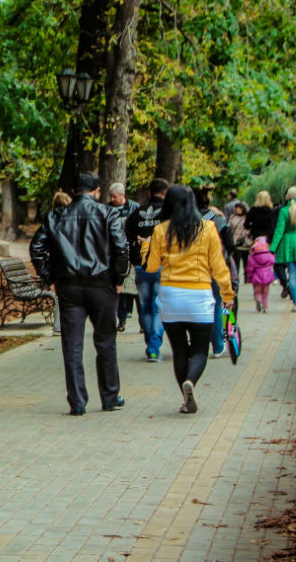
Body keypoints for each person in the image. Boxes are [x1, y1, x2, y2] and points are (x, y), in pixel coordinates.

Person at [29, 172, 130, 415]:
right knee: (105, 341)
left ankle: (77, 401)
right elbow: (120, 248)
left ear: (74, 192)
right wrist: (119, 280)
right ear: (97, 191)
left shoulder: (56, 215)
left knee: (72, 345)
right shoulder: (108, 213)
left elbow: (36, 247)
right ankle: (109, 395)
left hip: (69, 286)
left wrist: (50, 277)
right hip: (102, 284)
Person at [145, 185, 235, 415]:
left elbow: (152, 266)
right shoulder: (207, 228)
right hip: (199, 297)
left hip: (171, 296)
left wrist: (145, 246)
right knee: (199, 350)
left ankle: (185, 400)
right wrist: (227, 294)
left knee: (179, 351)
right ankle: (191, 383)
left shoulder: (161, 230)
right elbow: (218, 266)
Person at [125, 177, 169, 362]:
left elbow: (126, 237)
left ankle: (150, 341)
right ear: (166, 193)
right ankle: (154, 345)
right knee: (158, 306)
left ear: (150, 193)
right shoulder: (169, 213)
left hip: (141, 266)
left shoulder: (136, 213)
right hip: (161, 265)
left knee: (145, 306)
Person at [194, 186, 236, 358]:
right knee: (217, 304)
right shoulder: (216, 219)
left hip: (194, 268)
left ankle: (197, 345)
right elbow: (230, 243)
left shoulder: (185, 219)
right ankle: (218, 345)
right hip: (215, 266)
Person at [108, 183, 139, 332]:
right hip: (116, 253)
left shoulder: (134, 208)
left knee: (135, 289)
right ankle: (121, 320)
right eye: (111, 196)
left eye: (115, 196)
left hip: (132, 253)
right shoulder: (107, 209)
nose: (112, 199)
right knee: (119, 288)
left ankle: (141, 323)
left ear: (122, 195)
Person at [247, 236, 277, 313]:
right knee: (266, 293)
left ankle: (258, 300)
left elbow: (250, 269)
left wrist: (249, 278)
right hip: (267, 278)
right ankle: (265, 308)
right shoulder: (268, 255)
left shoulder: (252, 257)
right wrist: (273, 254)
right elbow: (273, 261)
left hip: (257, 278)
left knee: (257, 292)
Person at [228, 201, 252, 281]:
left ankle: (247, 276)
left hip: (244, 241)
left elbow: (249, 228)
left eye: (238, 208)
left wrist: (244, 235)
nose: (236, 210)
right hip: (235, 241)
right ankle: (236, 276)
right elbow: (229, 227)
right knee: (236, 260)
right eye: (236, 208)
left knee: (246, 260)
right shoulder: (232, 217)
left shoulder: (247, 217)